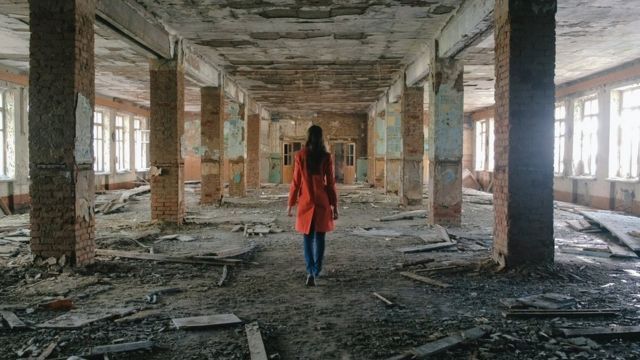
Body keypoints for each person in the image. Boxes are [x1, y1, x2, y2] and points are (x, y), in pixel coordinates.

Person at [287, 125, 339, 286]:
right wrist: (334, 206)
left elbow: (296, 183)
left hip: (306, 201)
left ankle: (310, 271)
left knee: (307, 237)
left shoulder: (300, 155)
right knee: (320, 237)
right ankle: (317, 270)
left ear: (308, 137)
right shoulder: (326, 156)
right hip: (322, 200)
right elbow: (330, 184)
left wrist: (290, 204)